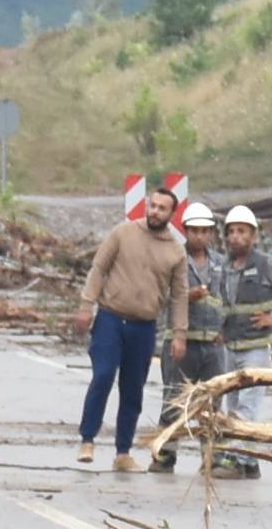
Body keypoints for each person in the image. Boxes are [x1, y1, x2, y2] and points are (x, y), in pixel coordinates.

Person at [179, 203, 272, 477]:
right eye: (232, 232)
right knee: (233, 405)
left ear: (254, 236)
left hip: (256, 348)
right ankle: (249, 463)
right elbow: (226, 304)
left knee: (247, 407)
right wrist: (220, 329)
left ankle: (232, 460)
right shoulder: (224, 267)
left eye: (242, 232)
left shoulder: (266, 264)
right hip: (230, 347)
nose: (236, 237)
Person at [76, 188, 190, 474]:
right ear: (146, 205)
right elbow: (99, 268)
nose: (155, 212)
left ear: (171, 214)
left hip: (143, 327)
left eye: (163, 208)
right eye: (152, 206)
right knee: (102, 376)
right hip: (111, 319)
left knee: (132, 390)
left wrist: (180, 334)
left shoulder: (175, 251)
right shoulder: (123, 233)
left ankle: (122, 453)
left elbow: (179, 296)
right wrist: (86, 305)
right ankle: (87, 440)